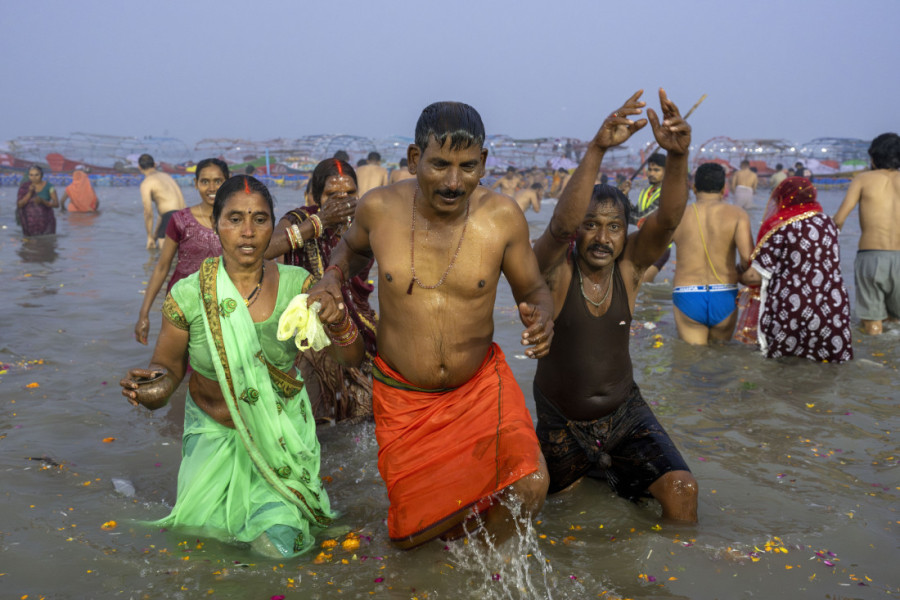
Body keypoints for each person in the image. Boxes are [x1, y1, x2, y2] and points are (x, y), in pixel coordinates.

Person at [308, 101, 554, 549]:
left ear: (483, 162)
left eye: (467, 166)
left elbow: (534, 289)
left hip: (479, 388)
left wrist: (543, 316)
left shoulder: (502, 217)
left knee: (531, 482)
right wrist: (331, 277)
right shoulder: (379, 209)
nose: (454, 182)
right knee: (409, 540)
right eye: (440, 165)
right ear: (414, 158)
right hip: (403, 398)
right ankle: (447, 567)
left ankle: (476, 577)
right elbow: (350, 250)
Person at [120, 175, 363, 557]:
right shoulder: (188, 293)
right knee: (201, 546)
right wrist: (153, 389)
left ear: (272, 225)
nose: (247, 232)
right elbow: (167, 367)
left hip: (279, 440)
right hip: (211, 439)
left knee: (280, 547)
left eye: (260, 219)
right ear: (216, 224)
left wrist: (338, 321)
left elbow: (349, 359)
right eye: (235, 219)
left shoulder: (298, 287)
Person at [531, 89, 698, 522]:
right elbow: (558, 226)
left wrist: (678, 158)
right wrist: (598, 148)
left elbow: (669, 219)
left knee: (682, 492)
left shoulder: (631, 268)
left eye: (614, 228)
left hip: (625, 414)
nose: (602, 239)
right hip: (561, 422)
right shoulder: (555, 269)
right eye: (591, 226)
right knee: (563, 520)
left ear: (627, 234)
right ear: (577, 232)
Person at [265, 158, 376, 422]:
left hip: (358, 322)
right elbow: (265, 248)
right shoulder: (300, 219)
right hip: (311, 328)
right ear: (316, 197)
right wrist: (319, 222)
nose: (343, 200)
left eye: (350, 193)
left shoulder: (365, 222)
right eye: (332, 195)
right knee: (314, 410)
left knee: (365, 409)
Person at [739, 177, 853, 362]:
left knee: (784, 367)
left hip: (791, 309)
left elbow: (755, 277)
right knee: (829, 367)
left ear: (782, 199)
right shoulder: (829, 224)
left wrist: (737, 274)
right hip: (832, 308)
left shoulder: (781, 228)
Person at [134, 158, 230, 345]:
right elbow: (162, 266)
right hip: (182, 306)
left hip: (223, 306)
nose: (211, 188)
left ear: (228, 181)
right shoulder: (181, 220)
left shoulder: (238, 220)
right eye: (204, 182)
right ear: (195, 184)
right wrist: (144, 313)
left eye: (218, 181)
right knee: (176, 365)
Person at [670, 162, 753, 344]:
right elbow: (748, 258)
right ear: (724, 189)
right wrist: (740, 269)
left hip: (687, 293)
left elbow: (655, 250)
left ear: (693, 187)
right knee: (720, 362)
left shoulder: (678, 215)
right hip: (724, 293)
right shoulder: (738, 214)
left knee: (691, 361)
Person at [833, 133, 900, 335]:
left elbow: (839, 220)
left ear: (872, 158)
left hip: (871, 256)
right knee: (896, 322)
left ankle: (874, 363)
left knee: (873, 323)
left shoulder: (863, 179)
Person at [139, 153, 186, 249]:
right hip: (187, 217)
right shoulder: (167, 177)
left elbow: (148, 212)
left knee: (165, 261)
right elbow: (164, 214)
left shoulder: (146, 183)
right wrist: (155, 237)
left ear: (139, 167)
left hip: (171, 218)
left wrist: (149, 237)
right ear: (155, 165)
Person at [16, 166, 59, 236]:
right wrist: (29, 193)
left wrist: (43, 201)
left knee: (47, 244)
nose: (34, 177)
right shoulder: (24, 187)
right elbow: (19, 205)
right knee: (30, 245)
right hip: (29, 223)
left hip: (46, 221)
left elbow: (56, 204)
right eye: (31, 175)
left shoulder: (49, 186)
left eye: (37, 175)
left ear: (41, 175)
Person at [632, 152, 665, 225]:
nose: (651, 174)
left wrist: (619, 216)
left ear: (666, 172)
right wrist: (624, 196)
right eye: (650, 169)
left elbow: (641, 218)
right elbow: (636, 212)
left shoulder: (666, 193)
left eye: (656, 170)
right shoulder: (645, 191)